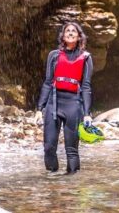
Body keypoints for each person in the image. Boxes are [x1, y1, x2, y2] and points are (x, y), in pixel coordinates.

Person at [36, 22, 93, 174]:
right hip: (54, 103)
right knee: (49, 147)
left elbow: (86, 87)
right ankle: (52, 176)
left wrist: (87, 114)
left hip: (73, 104)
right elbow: (48, 83)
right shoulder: (53, 56)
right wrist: (39, 108)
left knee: (71, 149)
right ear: (63, 36)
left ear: (79, 36)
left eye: (73, 31)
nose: (70, 33)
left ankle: (72, 183)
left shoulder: (86, 58)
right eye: (67, 31)